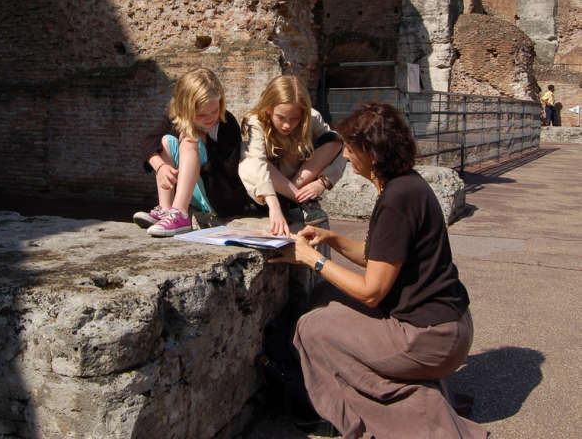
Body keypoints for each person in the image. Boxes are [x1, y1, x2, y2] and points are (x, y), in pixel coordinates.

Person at [270, 102, 488, 438]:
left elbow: (372, 292)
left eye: (351, 150)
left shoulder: (397, 199)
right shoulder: (407, 185)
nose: (345, 157)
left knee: (311, 329)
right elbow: (382, 257)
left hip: (431, 338)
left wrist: (313, 259)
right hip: (449, 327)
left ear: (372, 153)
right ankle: (401, 390)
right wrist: (332, 239)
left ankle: (409, 410)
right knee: (327, 294)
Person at [135, 67, 249, 237]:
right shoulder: (177, 118)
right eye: (202, 114)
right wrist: (160, 167)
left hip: (221, 196)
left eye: (215, 111)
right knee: (166, 141)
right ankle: (166, 209)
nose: (210, 118)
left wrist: (205, 143)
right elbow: (147, 142)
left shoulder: (227, 124)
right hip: (194, 188)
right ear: (185, 109)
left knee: (189, 140)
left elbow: (230, 170)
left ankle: (180, 213)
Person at [239, 75, 346, 236]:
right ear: (268, 109)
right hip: (269, 191)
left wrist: (323, 183)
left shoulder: (312, 117)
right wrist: (274, 206)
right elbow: (255, 163)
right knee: (251, 160)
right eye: (281, 118)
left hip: (299, 183)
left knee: (335, 140)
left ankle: (298, 197)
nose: (287, 125)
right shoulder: (254, 122)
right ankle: (301, 200)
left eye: (295, 119)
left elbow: (341, 149)